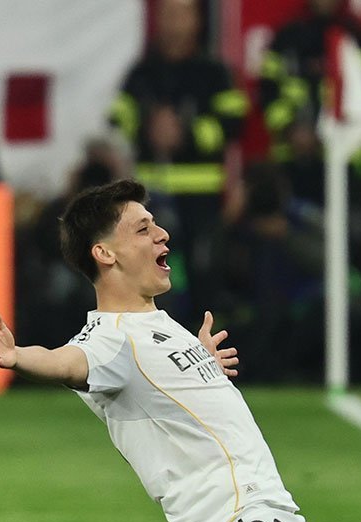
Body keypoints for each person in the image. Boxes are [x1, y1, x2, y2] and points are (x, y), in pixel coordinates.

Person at [0, 180, 361, 522]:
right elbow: (67, 362)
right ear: (105, 253)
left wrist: (202, 364)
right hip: (231, 514)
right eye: (143, 229)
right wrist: (19, 357)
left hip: (277, 506)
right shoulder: (109, 338)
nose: (162, 234)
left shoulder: (159, 325)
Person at [110, 0, 249, 324]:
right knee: (150, 286)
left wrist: (185, 133)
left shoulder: (215, 73)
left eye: (182, 13)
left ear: (197, 20)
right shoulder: (141, 73)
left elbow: (233, 124)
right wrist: (147, 127)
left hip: (202, 201)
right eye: (167, 14)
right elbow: (117, 121)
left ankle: (204, 350)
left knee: (204, 282)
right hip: (149, 200)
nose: (174, 22)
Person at [257, 0, 361, 272]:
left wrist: (320, 135)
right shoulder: (286, 38)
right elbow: (267, 93)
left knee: (351, 248)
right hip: (293, 166)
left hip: (347, 165)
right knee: (293, 251)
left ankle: (354, 296)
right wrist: (291, 129)